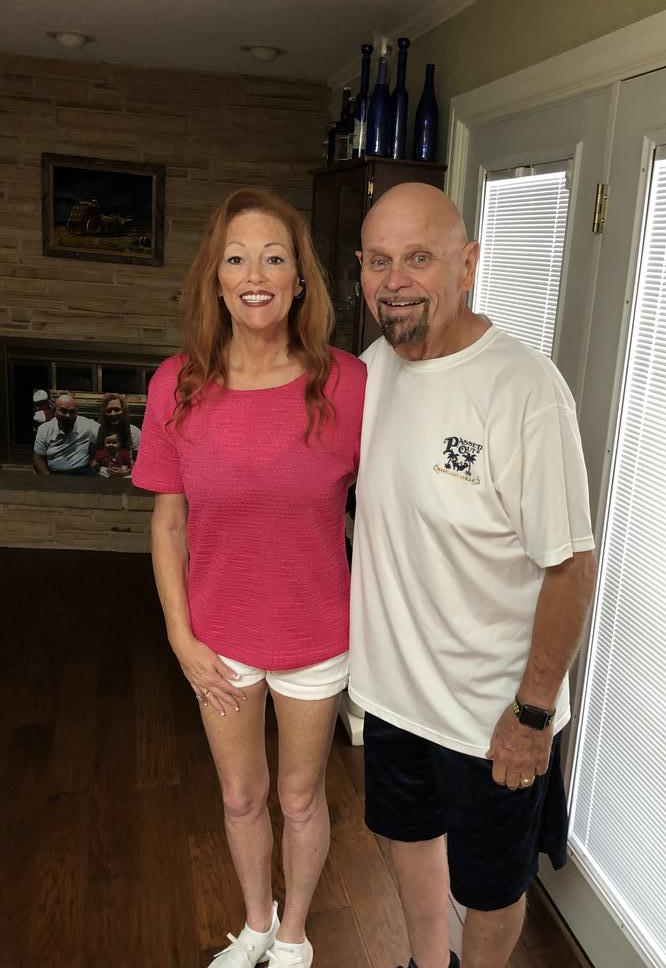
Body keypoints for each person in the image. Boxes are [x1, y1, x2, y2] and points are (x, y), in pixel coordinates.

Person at [349, 183, 598, 968]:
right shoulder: (371, 372)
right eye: (379, 260)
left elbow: (571, 564)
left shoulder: (523, 390)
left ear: (468, 265)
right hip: (394, 694)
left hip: (491, 713)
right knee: (406, 835)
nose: (395, 281)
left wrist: (532, 713)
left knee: (490, 885)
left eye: (418, 257)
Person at [132, 188, 365, 968]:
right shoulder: (177, 384)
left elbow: (398, 509)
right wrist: (181, 638)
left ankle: (294, 937)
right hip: (218, 638)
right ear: (217, 279)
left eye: (273, 258)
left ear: (300, 279)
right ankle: (256, 925)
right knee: (240, 795)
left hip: (315, 635)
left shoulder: (348, 385)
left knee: (299, 798)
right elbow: (168, 524)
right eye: (236, 259)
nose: (255, 276)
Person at [32, 393, 98, 474]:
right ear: (54, 411)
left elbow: (105, 433)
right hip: (54, 473)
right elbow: (38, 458)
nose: (68, 415)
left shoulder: (88, 425)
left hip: (82, 472)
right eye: (63, 411)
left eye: (72, 412)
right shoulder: (44, 429)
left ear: (76, 412)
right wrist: (47, 478)